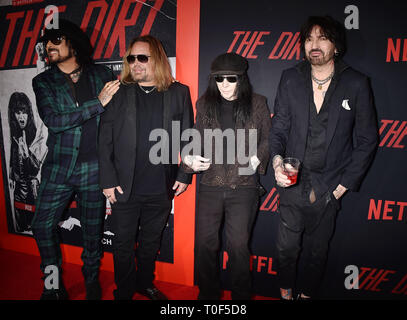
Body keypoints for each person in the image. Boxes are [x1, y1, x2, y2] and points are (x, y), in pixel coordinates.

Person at [270, 16, 378, 300]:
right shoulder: (290, 77)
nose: (314, 45)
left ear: (336, 46)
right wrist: (277, 161)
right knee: (285, 250)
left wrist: (341, 187)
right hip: (292, 182)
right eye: (308, 39)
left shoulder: (356, 83)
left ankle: (305, 295)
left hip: (329, 186)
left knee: (318, 253)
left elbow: (367, 140)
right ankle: (285, 294)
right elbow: (279, 127)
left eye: (322, 38)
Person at [98, 35, 194, 300]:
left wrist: (185, 174)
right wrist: (107, 179)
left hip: (160, 186)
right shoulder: (118, 93)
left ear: (158, 60)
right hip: (124, 186)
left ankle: (144, 283)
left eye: (143, 58)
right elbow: (104, 139)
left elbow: (187, 136)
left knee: (151, 242)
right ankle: (125, 291)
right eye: (132, 58)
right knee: (123, 245)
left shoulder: (178, 92)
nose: (136, 63)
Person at [31, 19, 119, 300]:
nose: (49, 46)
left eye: (56, 40)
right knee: (42, 226)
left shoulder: (101, 74)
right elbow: (54, 122)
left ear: (73, 42)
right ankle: (53, 284)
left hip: (94, 168)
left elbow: (122, 113)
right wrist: (97, 103)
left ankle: (91, 280)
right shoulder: (43, 80)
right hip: (59, 167)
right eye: (46, 42)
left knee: (93, 231)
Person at [183, 52, 271, 300]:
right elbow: (196, 139)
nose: (224, 85)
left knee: (238, 247)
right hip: (210, 184)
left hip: (243, 186)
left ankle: (241, 298)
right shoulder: (204, 104)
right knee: (204, 246)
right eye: (219, 79)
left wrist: (258, 158)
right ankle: (208, 295)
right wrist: (188, 159)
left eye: (230, 79)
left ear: (241, 79)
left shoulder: (258, 103)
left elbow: (269, 138)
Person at [8, 92, 41, 233]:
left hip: (33, 191)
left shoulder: (35, 134)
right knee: (21, 230)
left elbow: (34, 170)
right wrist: (11, 174)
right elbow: (13, 158)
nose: (21, 116)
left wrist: (26, 153)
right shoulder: (15, 135)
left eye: (24, 112)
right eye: (17, 112)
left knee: (36, 230)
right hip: (18, 192)